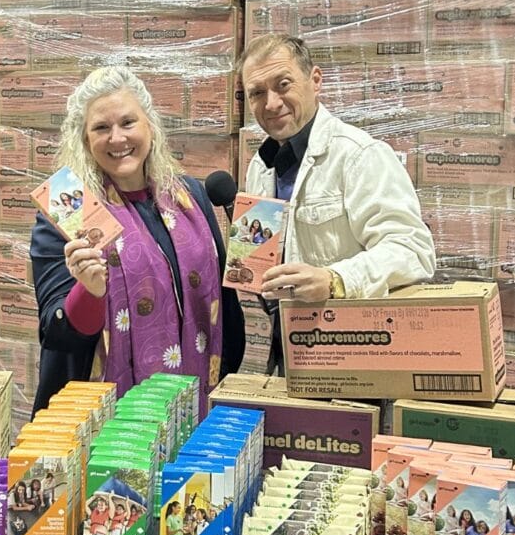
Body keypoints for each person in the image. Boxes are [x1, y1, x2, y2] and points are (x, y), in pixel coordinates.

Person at [29, 66, 245, 415]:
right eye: (101, 128)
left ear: (150, 127)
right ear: (84, 140)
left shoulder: (190, 196)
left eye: (128, 123)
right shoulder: (70, 209)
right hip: (104, 420)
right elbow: (58, 335)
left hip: (197, 405)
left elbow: (224, 305)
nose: (117, 138)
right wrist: (90, 290)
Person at [238, 34, 436, 374]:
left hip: (355, 360)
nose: (271, 103)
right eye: (257, 93)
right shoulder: (261, 166)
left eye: (283, 84)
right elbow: (258, 257)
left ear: (315, 81)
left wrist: (335, 280)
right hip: (290, 357)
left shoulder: (358, 156)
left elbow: (413, 250)